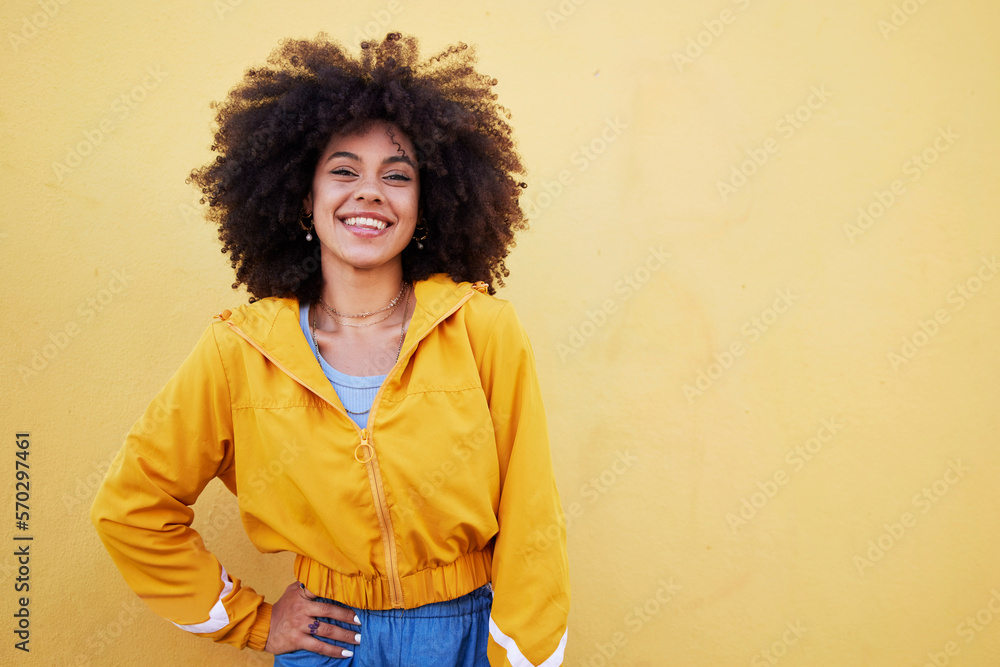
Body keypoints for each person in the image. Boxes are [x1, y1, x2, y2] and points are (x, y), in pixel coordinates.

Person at [90, 32, 570, 666]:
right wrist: (252, 621)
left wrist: (520, 656)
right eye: (344, 171)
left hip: (469, 635)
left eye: (397, 176)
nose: (369, 192)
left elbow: (531, 514)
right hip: (329, 644)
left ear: (425, 204)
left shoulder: (481, 329)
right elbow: (132, 506)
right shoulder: (241, 349)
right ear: (304, 196)